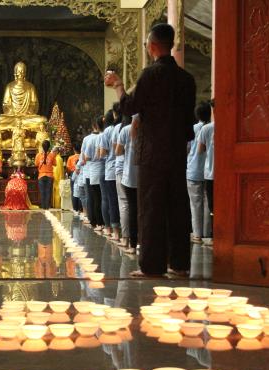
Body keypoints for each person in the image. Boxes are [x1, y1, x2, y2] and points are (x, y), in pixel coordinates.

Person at [106, 23, 197, 277]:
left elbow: (129, 107)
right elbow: (188, 120)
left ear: (153, 46)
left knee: (151, 208)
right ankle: (179, 264)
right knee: (178, 207)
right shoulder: (187, 79)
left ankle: (152, 266)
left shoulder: (150, 75)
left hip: (152, 153)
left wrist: (118, 86)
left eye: (147, 43)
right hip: (177, 152)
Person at [187, 101, 212, 244]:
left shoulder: (193, 129)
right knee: (207, 202)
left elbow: (187, 148)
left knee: (195, 203)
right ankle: (206, 233)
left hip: (194, 169)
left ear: (197, 115)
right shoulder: (212, 128)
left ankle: (197, 234)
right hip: (208, 170)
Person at [98, 107, 122, 240]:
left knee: (112, 201)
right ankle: (126, 232)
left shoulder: (107, 131)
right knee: (124, 202)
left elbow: (102, 153)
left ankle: (116, 231)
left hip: (111, 169)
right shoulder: (123, 127)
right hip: (124, 168)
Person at [119, 115, 140, 254]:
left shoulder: (125, 130)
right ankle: (141, 243)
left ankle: (132, 245)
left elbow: (118, 151)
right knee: (143, 210)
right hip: (144, 176)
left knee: (132, 209)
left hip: (130, 176)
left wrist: (127, 147)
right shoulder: (149, 128)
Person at [82, 117, 105, 229]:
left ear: (93, 126)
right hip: (105, 169)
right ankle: (105, 223)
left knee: (95, 198)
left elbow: (85, 157)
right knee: (103, 198)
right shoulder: (105, 135)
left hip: (93, 170)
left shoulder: (88, 139)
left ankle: (97, 222)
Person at [113, 115, 132, 249]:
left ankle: (126, 238)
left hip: (123, 169)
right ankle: (137, 239)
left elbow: (117, 151)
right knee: (136, 205)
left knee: (124, 204)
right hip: (139, 170)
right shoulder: (143, 127)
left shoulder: (123, 129)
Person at [198, 99, 215, 243]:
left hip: (210, 172)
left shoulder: (206, 129)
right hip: (225, 173)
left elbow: (200, 149)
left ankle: (213, 234)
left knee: (212, 205)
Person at [35, 140, 58, 209]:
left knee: (42, 192)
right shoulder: (52, 155)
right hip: (49, 175)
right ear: (49, 147)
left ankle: (43, 206)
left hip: (41, 175)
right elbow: (55, 164)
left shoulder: (38, 155)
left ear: (42, 147)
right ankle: (47, 206)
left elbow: (36, 164)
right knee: (48, 191)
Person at [66, 143, 81, 213]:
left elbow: (68, 167)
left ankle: (75, 208)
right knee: (82, 192)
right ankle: (81, 208)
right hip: (82, 173)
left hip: (73, 173)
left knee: (73, 191)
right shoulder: (82, 156)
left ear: (74, 149)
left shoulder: (70, 158)